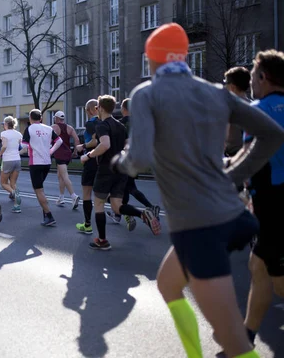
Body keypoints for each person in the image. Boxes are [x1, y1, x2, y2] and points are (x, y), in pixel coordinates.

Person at [112, 23, 284, 358]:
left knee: (233, 340)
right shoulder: (215, 92)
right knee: (167, 284)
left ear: (152, 59)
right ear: (184, 58)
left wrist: (120, 162)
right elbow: (273, 134)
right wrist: (235, 172)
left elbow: (140, 157)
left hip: (200, 225)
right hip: (231, 215)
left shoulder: (147, 93)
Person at [239, 50, 284, 350]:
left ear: (263, 78)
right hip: (274, 199)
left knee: (275, 272)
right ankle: (246, 338)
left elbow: (247, 162)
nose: (252, 83)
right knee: (259, 267)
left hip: (273, 201)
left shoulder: (257, 110)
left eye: (254, 77)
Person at [80, 95, 160, 250]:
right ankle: (142, 213)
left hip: (105, 170)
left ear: (101, 108)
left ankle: (102, 240)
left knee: (98, 204)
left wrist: (87, 156)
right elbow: (127, 146)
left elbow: (105, 144)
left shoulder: (102, 125)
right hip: (121, 169)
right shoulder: (121, 126)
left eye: (98, 108)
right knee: (117, 205)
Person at [106, 98, 161, 224]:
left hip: (122, 159)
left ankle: (145, 210)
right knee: (127, 188)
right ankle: (119, 215)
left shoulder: (119, 124)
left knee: (119, 190)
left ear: (124, 109)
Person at [20, 109, 63, 226]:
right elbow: (59, 141)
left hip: (35, 163)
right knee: (40, 189)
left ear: (30, 118)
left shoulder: (29, 129)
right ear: (41, 118)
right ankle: (45, 214)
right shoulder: (49, 129)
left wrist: (18, 150)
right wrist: (51, 151)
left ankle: (49, 215)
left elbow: (24, 146)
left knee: (38, 190)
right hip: (47, 162)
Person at [75, 100, 99, 234]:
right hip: (104, 160)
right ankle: (123, 210)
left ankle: (87, 224)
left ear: (88, 110)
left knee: (87, 193)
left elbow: (96, 141)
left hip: (91, 160)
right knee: (102, 193)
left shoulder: (91, 123)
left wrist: (82, 146)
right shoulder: (107, 122)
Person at [51, 111, 81, 210]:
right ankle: (61, 197)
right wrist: (76, 151)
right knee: (60, 176)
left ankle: (73, 196)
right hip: (68, 153)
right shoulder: (70, 128)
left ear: (56, 118)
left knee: (64, 176)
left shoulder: (54, 127)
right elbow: (77, 140)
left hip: (59, 154)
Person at [0, 116, 23, 213]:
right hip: (17, 160)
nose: (3, 126)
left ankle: (15, 194)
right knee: (13, 183)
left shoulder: (4, 134)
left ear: (6, 124)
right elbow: (22, 147)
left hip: (7, 160)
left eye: (3, 124)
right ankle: (17, 205)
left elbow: (5, 146)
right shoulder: (19, 134)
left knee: (3, 183)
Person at [224, 66, 252, 157]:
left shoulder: (228, 107)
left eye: (226, 83)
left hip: (234, 156)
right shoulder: (254, 106)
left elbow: (224, 136)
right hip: (252, 155)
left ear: (232, 87)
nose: (224, 86)